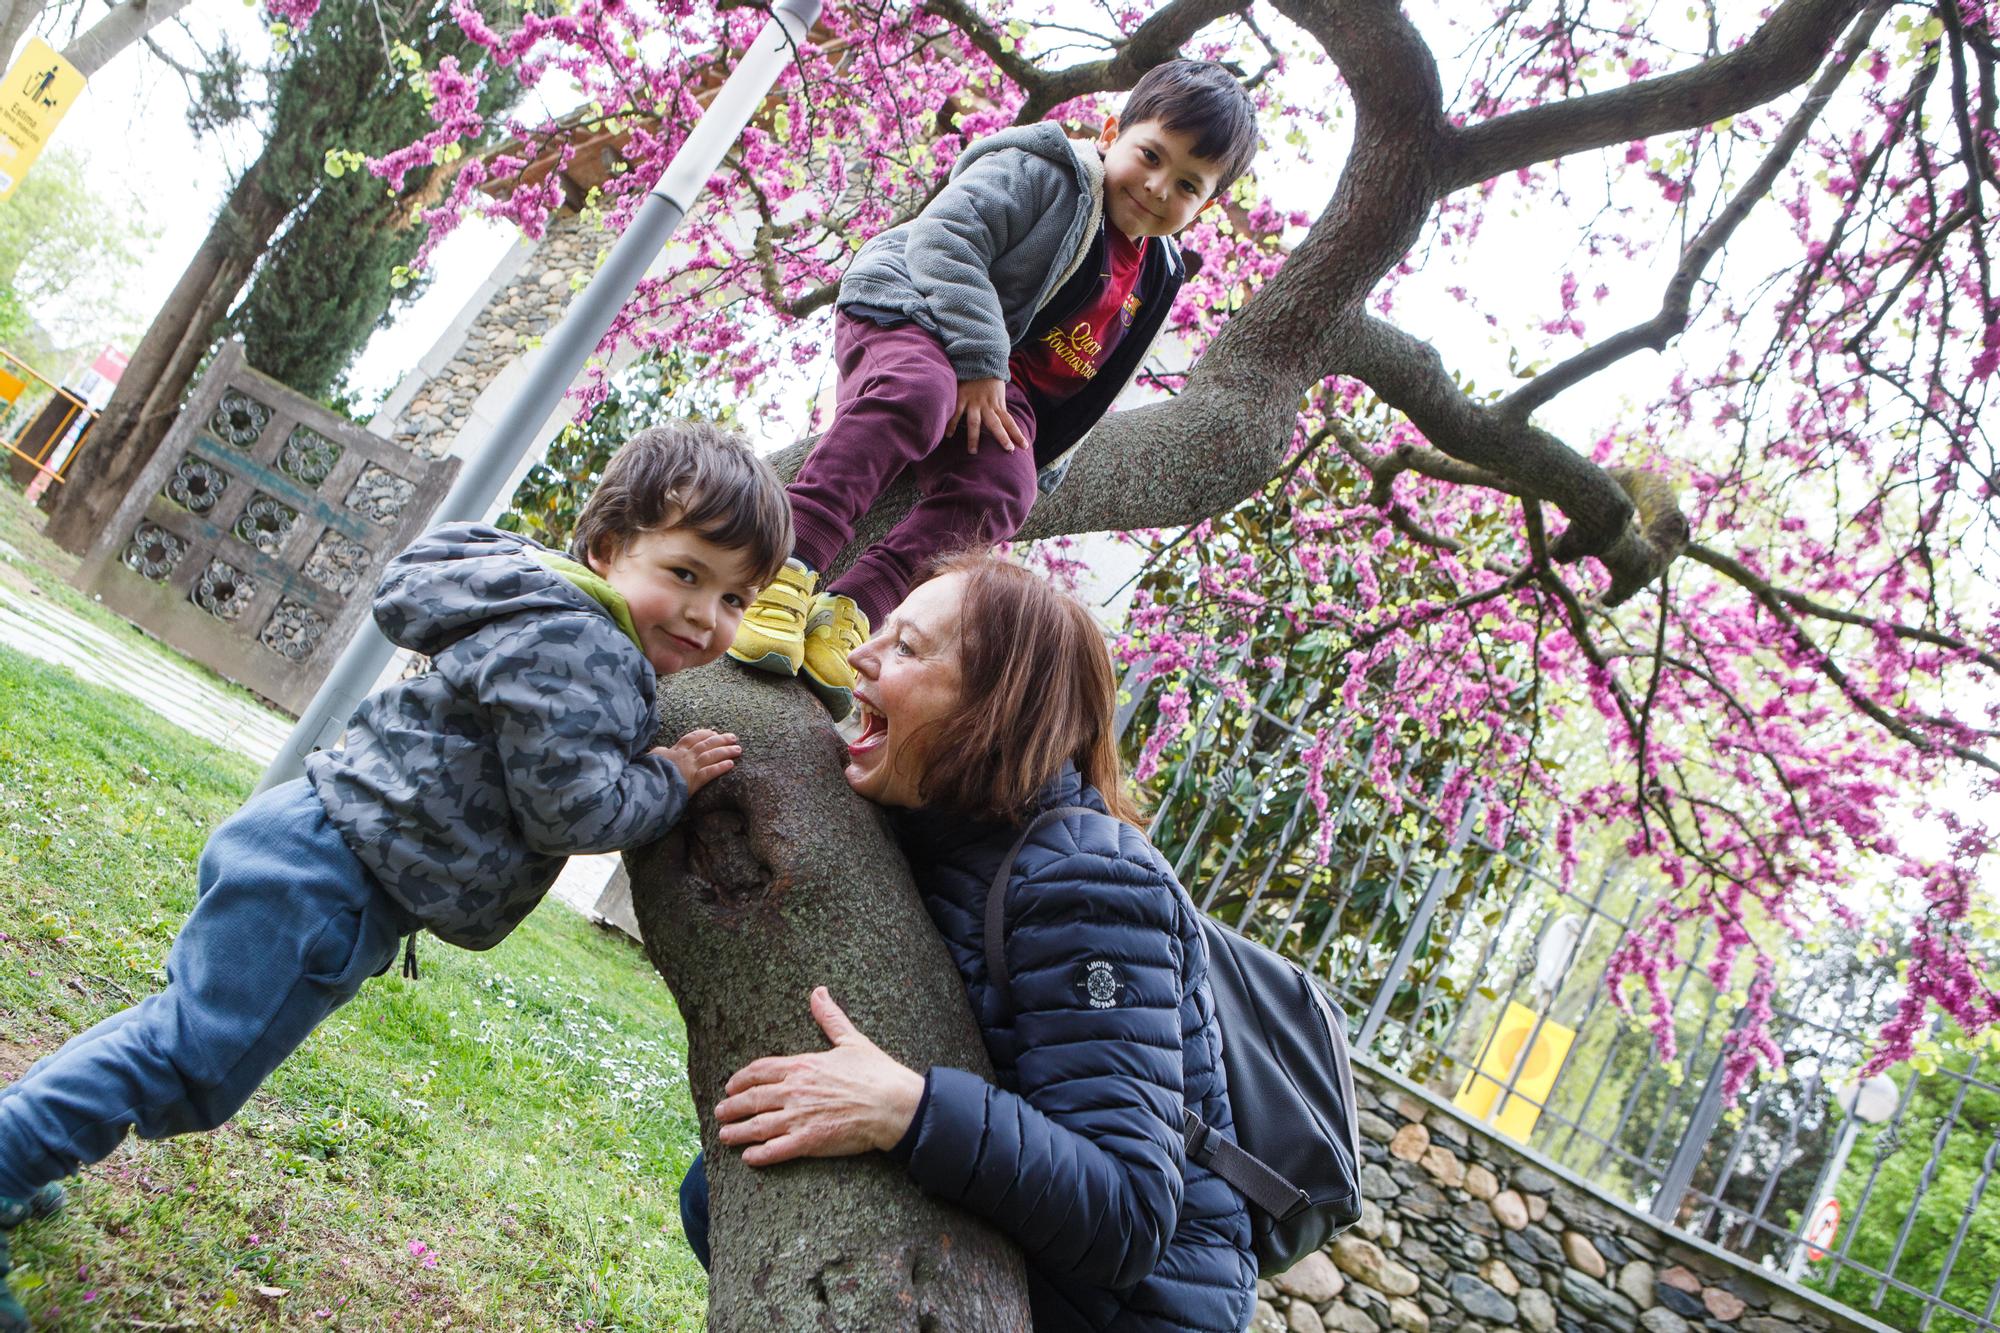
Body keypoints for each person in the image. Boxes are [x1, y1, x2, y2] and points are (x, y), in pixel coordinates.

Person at [0, 423, 793, 1333]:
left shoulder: (545, 609)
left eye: (736, 598)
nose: (704, 617)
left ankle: (21, 1151)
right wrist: (670, 775)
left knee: (176, 1045)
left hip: (316, 850)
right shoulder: (587, 649)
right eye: (686, 574)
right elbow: (573, 810)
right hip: (329, 881)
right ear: (608, 549)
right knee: (181, 1056)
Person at [686, 552, 1258, 1332]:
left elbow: (1130, 1211)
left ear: (996, 709)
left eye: (908, 648)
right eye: (881, 633)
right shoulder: (936, 829)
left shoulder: (1092, 883)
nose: (860, 654)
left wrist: (905, 1108)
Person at [727, 60, 1258, 720]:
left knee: (1004, 489)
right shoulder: (1052, 174)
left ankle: (852, 608)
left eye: (1186, 184)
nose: (1156, 186)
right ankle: (785, 563)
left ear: (1204, 205)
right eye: (1150, 154)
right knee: (919, 394)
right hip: (915, 307)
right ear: (1112, 130)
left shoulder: (1157, 276)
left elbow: (1091, 385)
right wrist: (980, 363)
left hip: (1003, 387)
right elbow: (945, 238)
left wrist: (1041, 458)